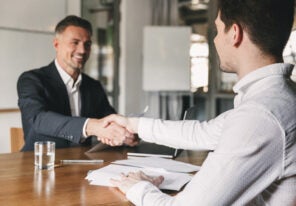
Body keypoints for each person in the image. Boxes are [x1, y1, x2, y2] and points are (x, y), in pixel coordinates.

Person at [100, 0, 296, 205]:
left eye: (218, 30)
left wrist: (137, 186)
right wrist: (133, 124)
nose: (216, 40)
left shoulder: (262, 115)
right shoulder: (277, 97)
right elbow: (205, 133)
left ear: (235, 33)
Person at [17, 15, 132, 151]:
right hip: (39, 163)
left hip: (83, 162)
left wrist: (126, 133)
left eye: (87, 44)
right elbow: (38, 119)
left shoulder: (93, 86)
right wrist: (92, 126)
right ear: (56, 44)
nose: (82, 50)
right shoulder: (31, 80)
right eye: (75, 42)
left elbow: (109, 119)